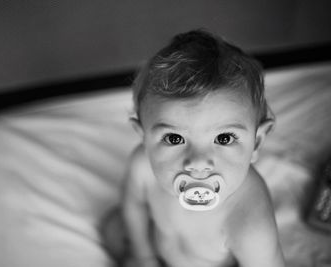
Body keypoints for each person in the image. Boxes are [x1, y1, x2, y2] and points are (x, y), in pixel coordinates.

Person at [121, 29, 285, 267]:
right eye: (174, 139)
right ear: (143, 137)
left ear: (256, 142)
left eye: (225, 139)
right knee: (113, 229)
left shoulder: (248, 218)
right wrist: (142, 255)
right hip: (159, 249)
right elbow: (133, 205)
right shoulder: (141, 165)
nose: (198, 163)